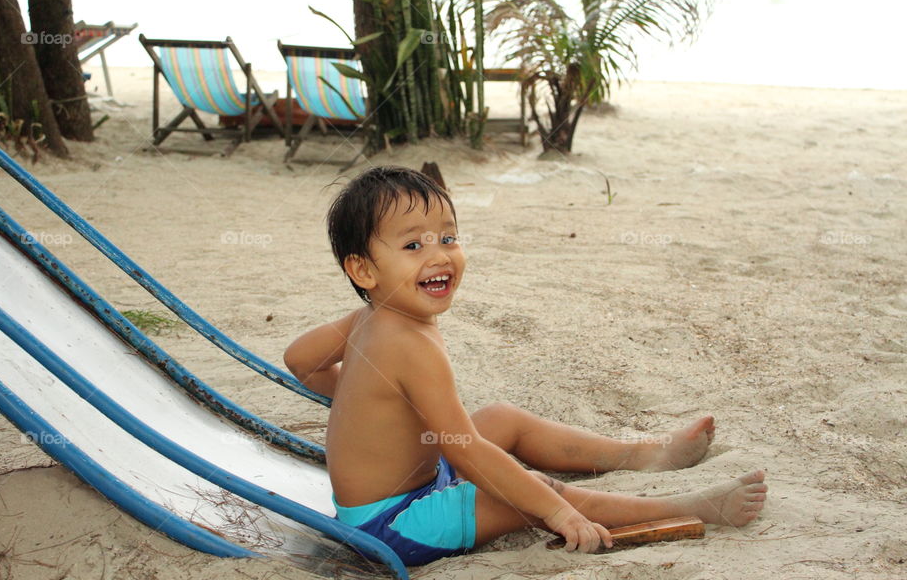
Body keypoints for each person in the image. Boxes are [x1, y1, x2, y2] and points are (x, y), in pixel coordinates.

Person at [284, 165, 766, 566]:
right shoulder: (409, 343)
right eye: (414, 246)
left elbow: (301, 361)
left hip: (410, 482)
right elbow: (466, 449)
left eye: (448, 237)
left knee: (503, 418)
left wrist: (367, 409)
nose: (439, 256)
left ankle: (642, 455)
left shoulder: (368, 315)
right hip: (394, 524)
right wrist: (556, 513)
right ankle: (684, 506)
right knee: (531, 491)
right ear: (362, 269)